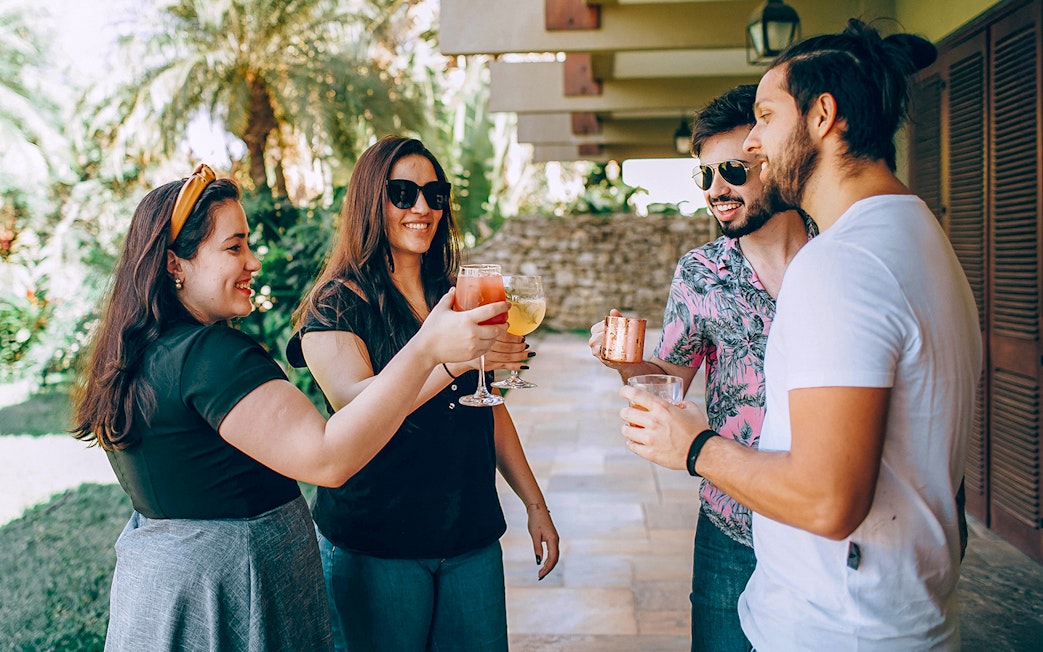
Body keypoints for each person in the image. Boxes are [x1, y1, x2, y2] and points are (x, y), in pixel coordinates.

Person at [619, 19, 981, 650]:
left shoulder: (840, 263)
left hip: (836, 629)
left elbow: (827, 501)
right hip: (895, 612)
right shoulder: (921, 237)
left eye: (764, 116)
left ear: (822, 116)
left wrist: (695, 447)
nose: (754, 142)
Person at [71, 164, 511, 651]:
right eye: (234, 247)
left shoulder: (142, 351)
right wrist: (429, 350)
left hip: (168, 599)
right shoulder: (210, 357)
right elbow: (329, 457)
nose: (253, 262)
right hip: (229, 600)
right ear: (176, 263)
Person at [287, 136, 559, 652]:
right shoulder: (336, 305)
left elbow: (486, 410)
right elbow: (356, 405)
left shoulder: (454, 294)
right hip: (377, 545)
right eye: (403, 193)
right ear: (372, 200)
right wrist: (450, 356)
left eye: (435, 195)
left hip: (469, 537)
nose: (422, 208)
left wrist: (535, 502)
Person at [589, 84, 814, 652]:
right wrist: (626, 361)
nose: (717, 190)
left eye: (733, 170)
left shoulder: (834, 255)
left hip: (820, 525)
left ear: (775, 160)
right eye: (705, 175)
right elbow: (668, 382)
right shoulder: (701, 272)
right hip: (729, 527)